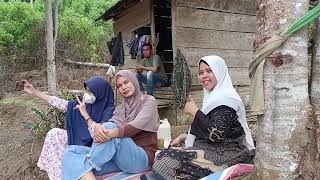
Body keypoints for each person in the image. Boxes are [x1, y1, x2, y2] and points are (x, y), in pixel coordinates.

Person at [149, 56, 255, 179]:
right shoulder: (214, 97)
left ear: (219, 72)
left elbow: (216, 134)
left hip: (227, 154)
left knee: (166, 159)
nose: (204, 75)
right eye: (201, 72)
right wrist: (185, 136)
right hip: (211, 149)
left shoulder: (227, 100)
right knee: (163, 154)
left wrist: (195, 112)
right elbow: (210, 124)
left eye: (209, 71)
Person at [62, 70, 160, 180]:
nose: (123, 87)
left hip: (141, 160)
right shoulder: (120, 109)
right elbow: (113, 122)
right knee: (70, 151)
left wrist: (110, 132)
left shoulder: (148, 101)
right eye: (119, 86)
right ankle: (89, 171)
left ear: (134, 81)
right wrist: (100, 128)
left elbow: (136, 125)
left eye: (126, 82)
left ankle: (88, 164)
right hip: (121, 160)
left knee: (109, 129)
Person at [23, 76, 115, 180]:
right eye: (86, 90)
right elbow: (60, 103)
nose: (87, 94)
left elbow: (100, 135)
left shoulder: (109, 110)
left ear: (100, 92)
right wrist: (35, 92)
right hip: (79, 141)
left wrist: (85, 114)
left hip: (94, 146)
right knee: (54, 134)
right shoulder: (84, 104)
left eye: (90, 92)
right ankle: (58, 176)